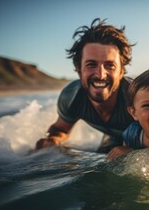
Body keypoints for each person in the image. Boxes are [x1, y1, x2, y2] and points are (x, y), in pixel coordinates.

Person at [35, 18, 135, 154]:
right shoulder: (71, 97)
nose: (100, 75)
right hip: (111, 142)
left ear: (121, 71)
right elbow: (60, 130)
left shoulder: (137, 96)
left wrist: (135, 152)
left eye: (110, 65)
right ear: (79, 70)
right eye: (91, 65)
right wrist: (52, 141)